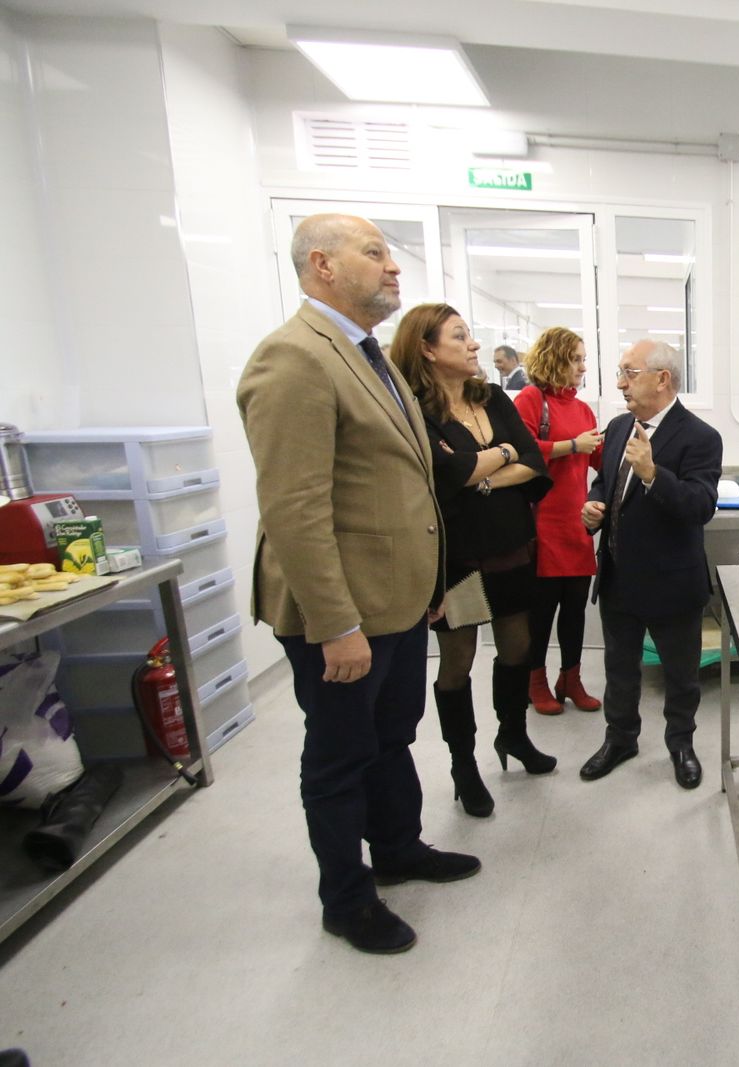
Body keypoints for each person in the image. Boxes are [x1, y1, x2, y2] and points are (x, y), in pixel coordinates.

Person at [236, 214, 478, 956]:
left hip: (397, 600)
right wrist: (334, 623)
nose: (393, 269)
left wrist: (430, 585)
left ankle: (398, 848)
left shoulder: (366, 355)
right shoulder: (293, 358)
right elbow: (294, 507)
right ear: (323, 265)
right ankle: (346, 897)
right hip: (341, 612)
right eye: (374, 254)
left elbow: (400, 486)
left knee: (391, 736)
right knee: (340, 754)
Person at [390, 304, 555, 819]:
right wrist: (501, 458)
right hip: (458, 557)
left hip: (510, 546)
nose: (474, 345)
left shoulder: (495, 398)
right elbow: (447, 472)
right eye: (460, 336)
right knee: (458, 659)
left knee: (518, 646)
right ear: (427, 348)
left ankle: (514, 736)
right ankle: (464, 764)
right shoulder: (416, 410)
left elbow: (532, 461)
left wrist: (485, 471)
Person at [579, 340, 723, 789]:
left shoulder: (701, 437)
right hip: (619, 578)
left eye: (629, 372)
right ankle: (620, 738)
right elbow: (604, 483)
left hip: (672, 585)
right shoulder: (620, 426)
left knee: (682, 677)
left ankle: (681, 744)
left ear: (662, 378)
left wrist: (653, 475)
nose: (620, 383)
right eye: (620, 373)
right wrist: (593, 504)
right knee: (619, 671)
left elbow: (700, 505)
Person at [515, 326, 605, 715]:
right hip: (542, 527)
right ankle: (536, 682)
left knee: (574, 611)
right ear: (556, 358)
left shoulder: (583, 409)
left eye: (584, 359)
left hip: (576, 527)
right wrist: (572, 445)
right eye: (577, 359)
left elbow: (599, 461)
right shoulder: (532, 399)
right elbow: (519, 451)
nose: (583, 367)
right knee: (540, 613)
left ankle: (570, 678)